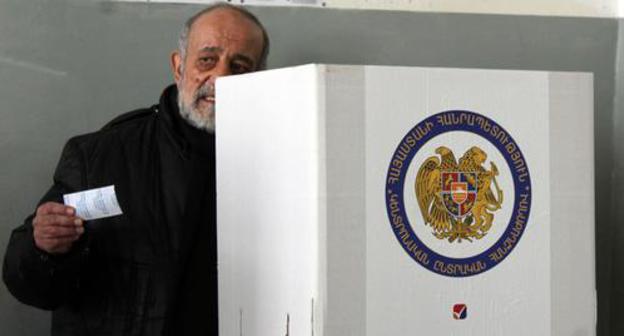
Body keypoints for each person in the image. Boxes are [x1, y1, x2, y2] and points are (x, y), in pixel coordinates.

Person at [2, 3, 269, 335]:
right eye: (207, 59)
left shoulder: (287, 165)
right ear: (178, 66)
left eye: (240, 67)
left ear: (260, 78)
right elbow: (31, 287)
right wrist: (43, 248)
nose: (221, 78)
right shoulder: (100, 157)